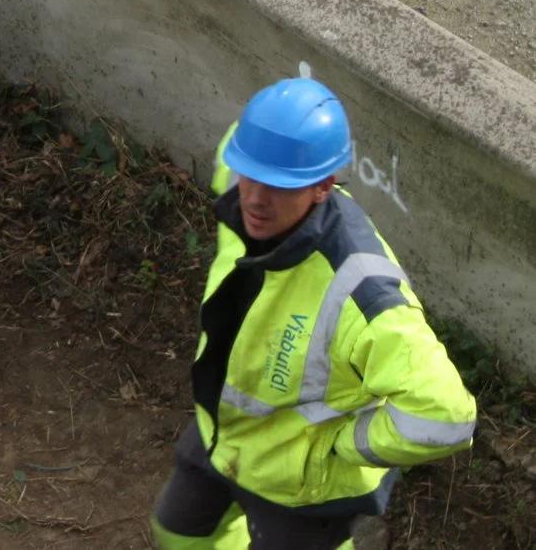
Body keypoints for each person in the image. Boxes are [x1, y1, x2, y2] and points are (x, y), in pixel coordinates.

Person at [151, 78, 475, 549]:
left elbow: (445, 415)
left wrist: (342, 448)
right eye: (250, 174)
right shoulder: (240, 173)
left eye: (280, 186)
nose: (256, 199)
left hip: (298, 487)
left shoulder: (362, 294)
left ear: (324, 186)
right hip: (225, 437)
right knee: (176, 533)